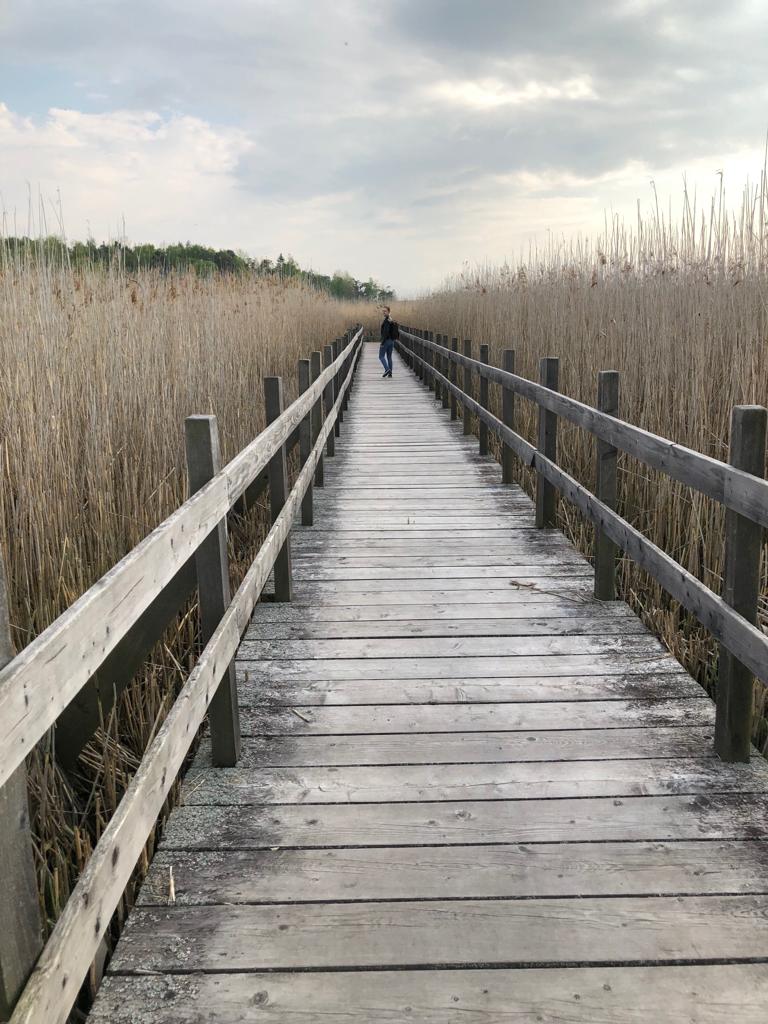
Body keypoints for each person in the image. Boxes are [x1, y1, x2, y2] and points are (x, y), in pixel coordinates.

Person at [379, 306, 399, 378]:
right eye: (383, 311)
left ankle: (387, 369)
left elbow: (386, 332)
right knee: (389, 357)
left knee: (381, 356)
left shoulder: (387, 320)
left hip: (386, 341)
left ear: (389, 312)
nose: (384, 312)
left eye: (385, 311)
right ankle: (390, 373)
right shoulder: (391, 320)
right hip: (391, 341)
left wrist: (382, 342)